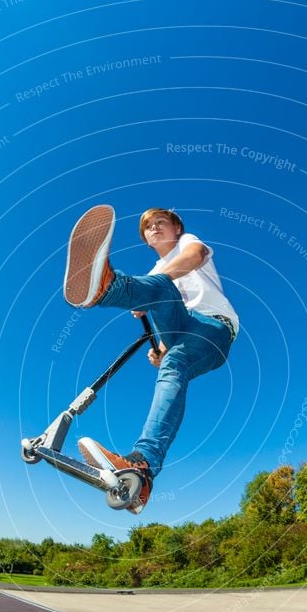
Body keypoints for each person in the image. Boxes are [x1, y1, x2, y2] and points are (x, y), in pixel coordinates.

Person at [64, 205, 239, 512]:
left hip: (214, 327)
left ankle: (108, 288)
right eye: (148, 227)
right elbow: (167, 324)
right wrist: (161, 350)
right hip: (180, 332)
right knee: (172, 360)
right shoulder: (154, 275)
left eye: (162, 223)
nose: (155, 228)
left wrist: (140, 291)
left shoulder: (186, 245)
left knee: (159, 288)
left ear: (177, 229)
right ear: (145, 239)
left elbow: (196, 256)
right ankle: (140, 475)